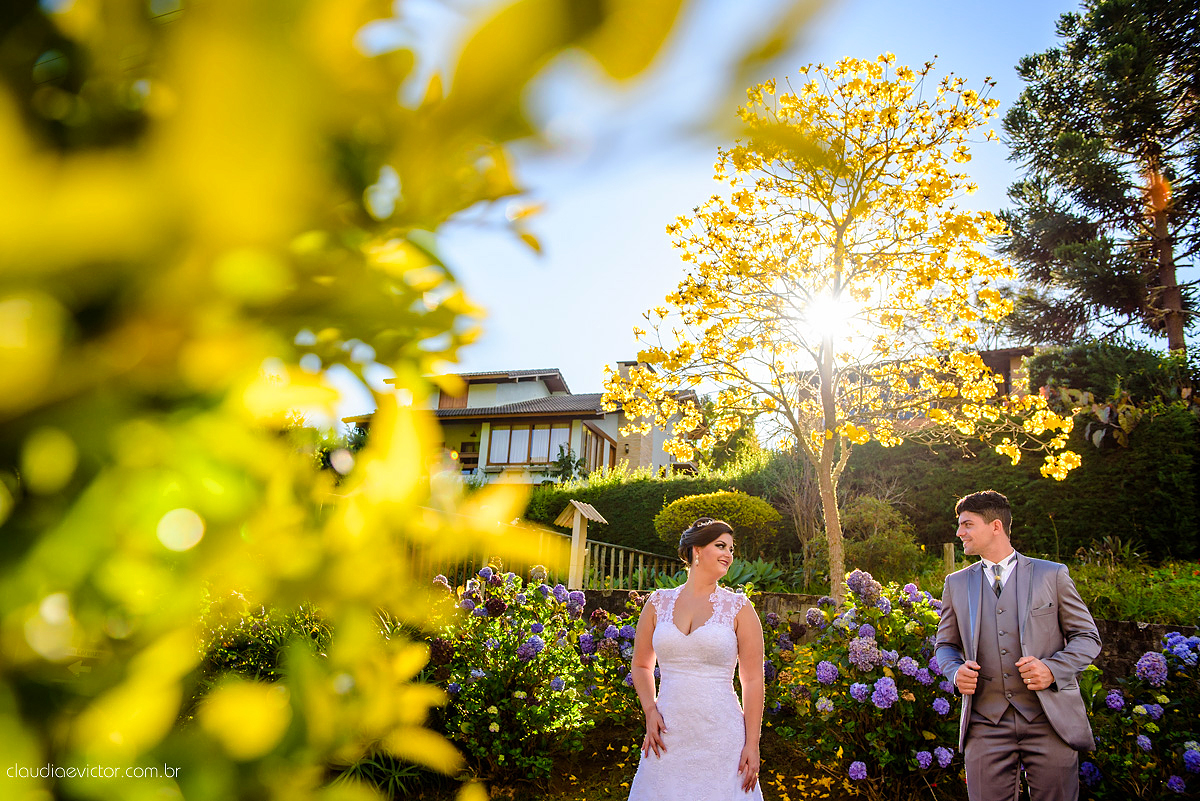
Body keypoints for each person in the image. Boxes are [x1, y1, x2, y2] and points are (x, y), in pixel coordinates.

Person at [935, 490, 1101, 801]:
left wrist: (1052, 669)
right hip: (985, 722)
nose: (960, 533)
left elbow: (1087, 637)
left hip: (1048, 719)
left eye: (967, 524)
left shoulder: (1051, 575)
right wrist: (955, 672)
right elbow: (945, 644)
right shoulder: (955, 584)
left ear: (995, 526)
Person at [626, 517, 765, 800]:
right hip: (666, 734)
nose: (729, 554)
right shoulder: (657, 603)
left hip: (721, 736)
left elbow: (752, 680)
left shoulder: (739, 608)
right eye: (721, 546)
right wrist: (650, 711)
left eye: (731, 549)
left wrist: (752, 743)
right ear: (697, 551)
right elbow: (641, 665)